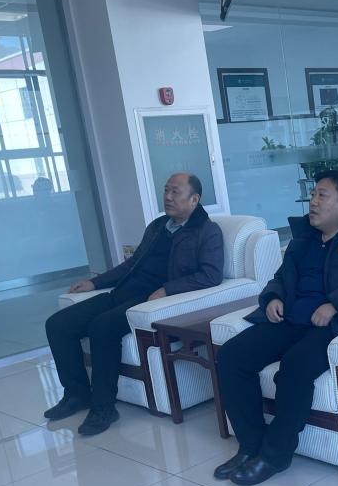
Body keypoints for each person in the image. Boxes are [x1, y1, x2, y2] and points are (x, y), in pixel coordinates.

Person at [214, 170, 338, 486]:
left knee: (295, 367)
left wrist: (336, 303)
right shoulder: (304, 239)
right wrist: (273, 297)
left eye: (322, 196)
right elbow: (280, 277)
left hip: (333, 325)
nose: (313, 202)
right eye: (313, 194)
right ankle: (251, 445)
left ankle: (275, 455)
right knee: (232, 355)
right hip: (290, 319)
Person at [44, 173, 224, 435]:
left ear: (194, 199)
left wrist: (168, 289)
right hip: (123, 292)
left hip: (150, 300)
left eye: (175, 192)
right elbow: (132, 264)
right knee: (58, 324)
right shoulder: (158, 226)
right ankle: (77, 394)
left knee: (103, 326)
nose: (167, 197)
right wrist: (95, 283)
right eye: (166, 190)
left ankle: (104, 408)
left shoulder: (207, 232)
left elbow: (211, 275)